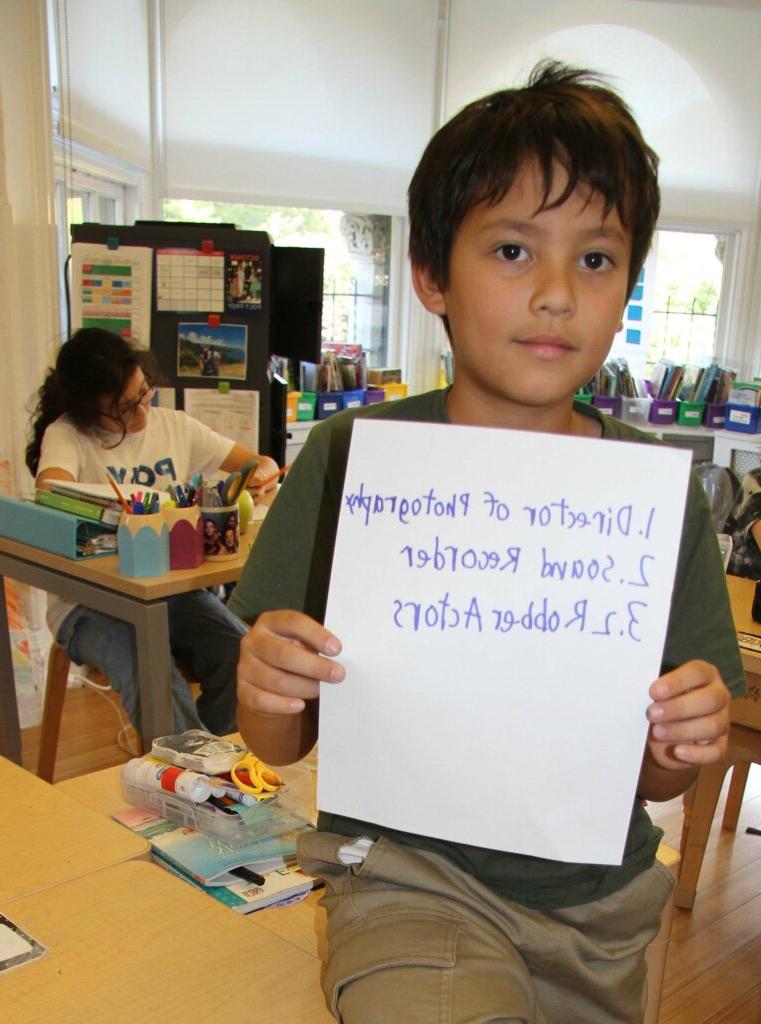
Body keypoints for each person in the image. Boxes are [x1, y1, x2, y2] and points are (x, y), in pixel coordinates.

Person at [230, 62, 746, 1023]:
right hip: (406, 880)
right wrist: (267, 685)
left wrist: (682, 738)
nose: (555, 293)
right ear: (431, 275)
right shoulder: (354, 458)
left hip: (601, 908)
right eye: (512, 250)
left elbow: (652, 774)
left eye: (594, 260)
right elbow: (279, 734)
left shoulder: (652, 497)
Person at [26, 327, 279, 736]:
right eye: (124, 409)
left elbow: (259, 463)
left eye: (145, 394)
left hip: (171, 593)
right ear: (90, 408)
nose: (142, 413)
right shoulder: (68, 433)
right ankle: (188, 776)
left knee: (241, 651)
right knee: (150, 670)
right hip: (91, 605)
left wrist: (258, 478)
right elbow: (51, 490)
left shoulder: (176, 426)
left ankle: (212, 763)